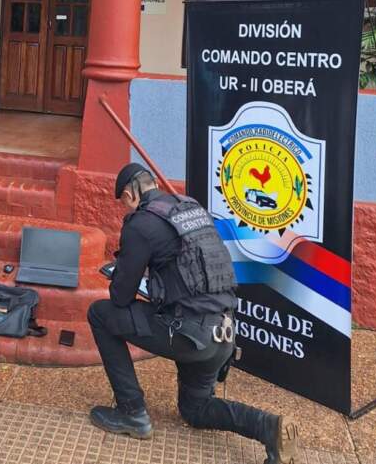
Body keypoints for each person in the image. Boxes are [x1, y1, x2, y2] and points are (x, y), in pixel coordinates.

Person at [87, 163, 301, 464]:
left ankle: (132, 412)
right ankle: (269, 427)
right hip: (223, 333)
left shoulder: (140, 224)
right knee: (195, 410)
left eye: (123, 201)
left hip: (190, 336)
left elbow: (120, 297)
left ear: (128, 194)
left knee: (100, 314)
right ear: (153, 184)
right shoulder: (191, 208)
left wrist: (127, 275)